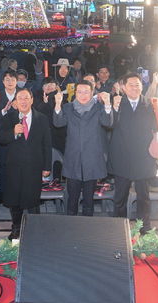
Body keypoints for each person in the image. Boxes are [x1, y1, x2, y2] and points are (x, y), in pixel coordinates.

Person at [0, 88, 52, 240]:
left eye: (26, 98)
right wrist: (13, 132)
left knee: (33, 199)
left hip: (34, 165)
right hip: (14, 165)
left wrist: (47, 166)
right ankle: (16, 228)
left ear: (32, 100)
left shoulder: (41, 118)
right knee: (15, 200)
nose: (23, 101)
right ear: (15, 101)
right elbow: (0, 138)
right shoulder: (9, 118)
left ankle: (35, 229)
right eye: (20, 98)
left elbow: (47, 144)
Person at [53, 81, 113, 216]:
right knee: (72, 200)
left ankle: (87, 230)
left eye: (86, 92)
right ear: (75, 93)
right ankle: (71, 229)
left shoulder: (98, 108)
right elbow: (58, 123)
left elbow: (108, 122)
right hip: (73, 159)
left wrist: (107, 104)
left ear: (92, 93)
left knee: (89, 201)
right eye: (79, 92)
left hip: (92, 159)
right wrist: (57, 104)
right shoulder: (68, 108)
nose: (83, 95)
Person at [109, 73, 158, 232]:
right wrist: (113, 108)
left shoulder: (150, 104)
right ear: (123, 87)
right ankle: (119, 229)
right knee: (120, 198)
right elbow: (108, 125)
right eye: (131, 85)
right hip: (121, 158)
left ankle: (145, 229)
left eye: (137, 84)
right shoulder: (117, 103)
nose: (135, 88)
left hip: (143, 158)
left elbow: (157, 128)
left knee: (144, 196)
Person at [0, 69, 19, 204]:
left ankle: (19, 191)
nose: (10, 82)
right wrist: (4, 111)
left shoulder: (22, 94)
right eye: (7, 79)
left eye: (12, 79)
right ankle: (3, 192)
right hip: (3, 137)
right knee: (3, 165)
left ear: (16, 81)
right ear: (3, 82)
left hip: (20, 136)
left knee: (20, 164)